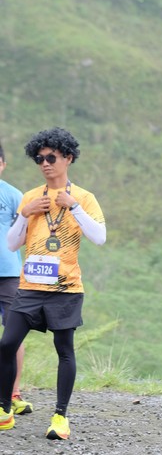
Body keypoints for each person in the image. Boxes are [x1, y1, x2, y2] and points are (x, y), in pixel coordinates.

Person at [0, 127, 106, 440]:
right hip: (29, 288)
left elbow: (99, 237)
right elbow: (12, 244)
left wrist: (74, 207)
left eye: (51, 158)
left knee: (64, 350)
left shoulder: (84, 198)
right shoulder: (30, 197)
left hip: (65, 289)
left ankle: (60, 416)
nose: (45, 164)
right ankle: (4, 409)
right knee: (7, 344)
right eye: (39, 159)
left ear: (68, 158)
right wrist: (25, 214)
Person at [0, 144, 32, 416]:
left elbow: (24, 232)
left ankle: (13, 392)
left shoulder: (14, 195)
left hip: (9, 273)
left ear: (2, 164)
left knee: (14, 334)